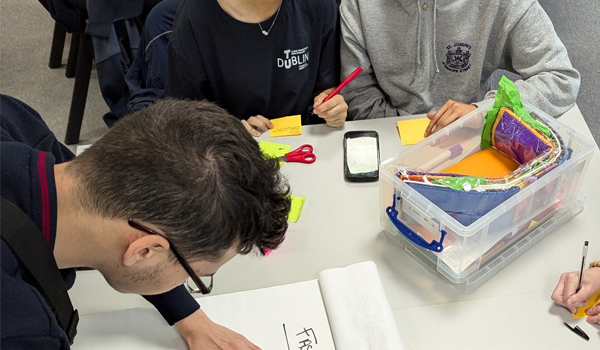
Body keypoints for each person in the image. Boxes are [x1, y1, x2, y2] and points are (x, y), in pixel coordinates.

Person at [1, 94, 291, 349]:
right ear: (143, 251)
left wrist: (189, 318)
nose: (189, 282)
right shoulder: (22, 328)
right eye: (195, 277)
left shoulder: (16, 121)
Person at [339, 0, 580, 137]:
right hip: (390, 134)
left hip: (475, 131)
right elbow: (357, 90)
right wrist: (401, 137)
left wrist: (486, 111)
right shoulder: (358, 6)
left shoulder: (506, 4)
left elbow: (561, 79)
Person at [163, 0, 348, 136]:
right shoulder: (196, 14)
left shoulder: (319, 6)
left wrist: (331, 107)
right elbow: (183, 107)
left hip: (305, 139)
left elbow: (325, 84)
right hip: (228, 152)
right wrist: (228, 128)